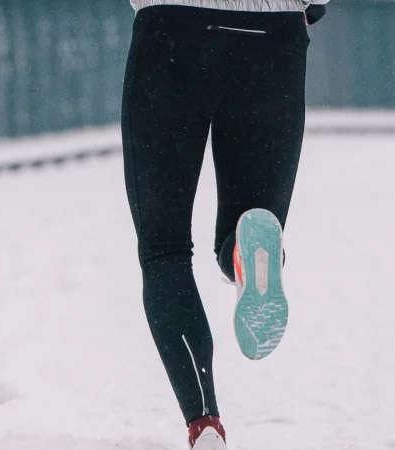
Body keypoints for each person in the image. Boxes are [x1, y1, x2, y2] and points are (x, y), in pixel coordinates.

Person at [121, 1, 329, 448]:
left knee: (164, 248)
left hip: (171, 31)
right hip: (275, 37)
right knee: (252, 216)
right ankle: (243, 252)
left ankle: (204, 421)